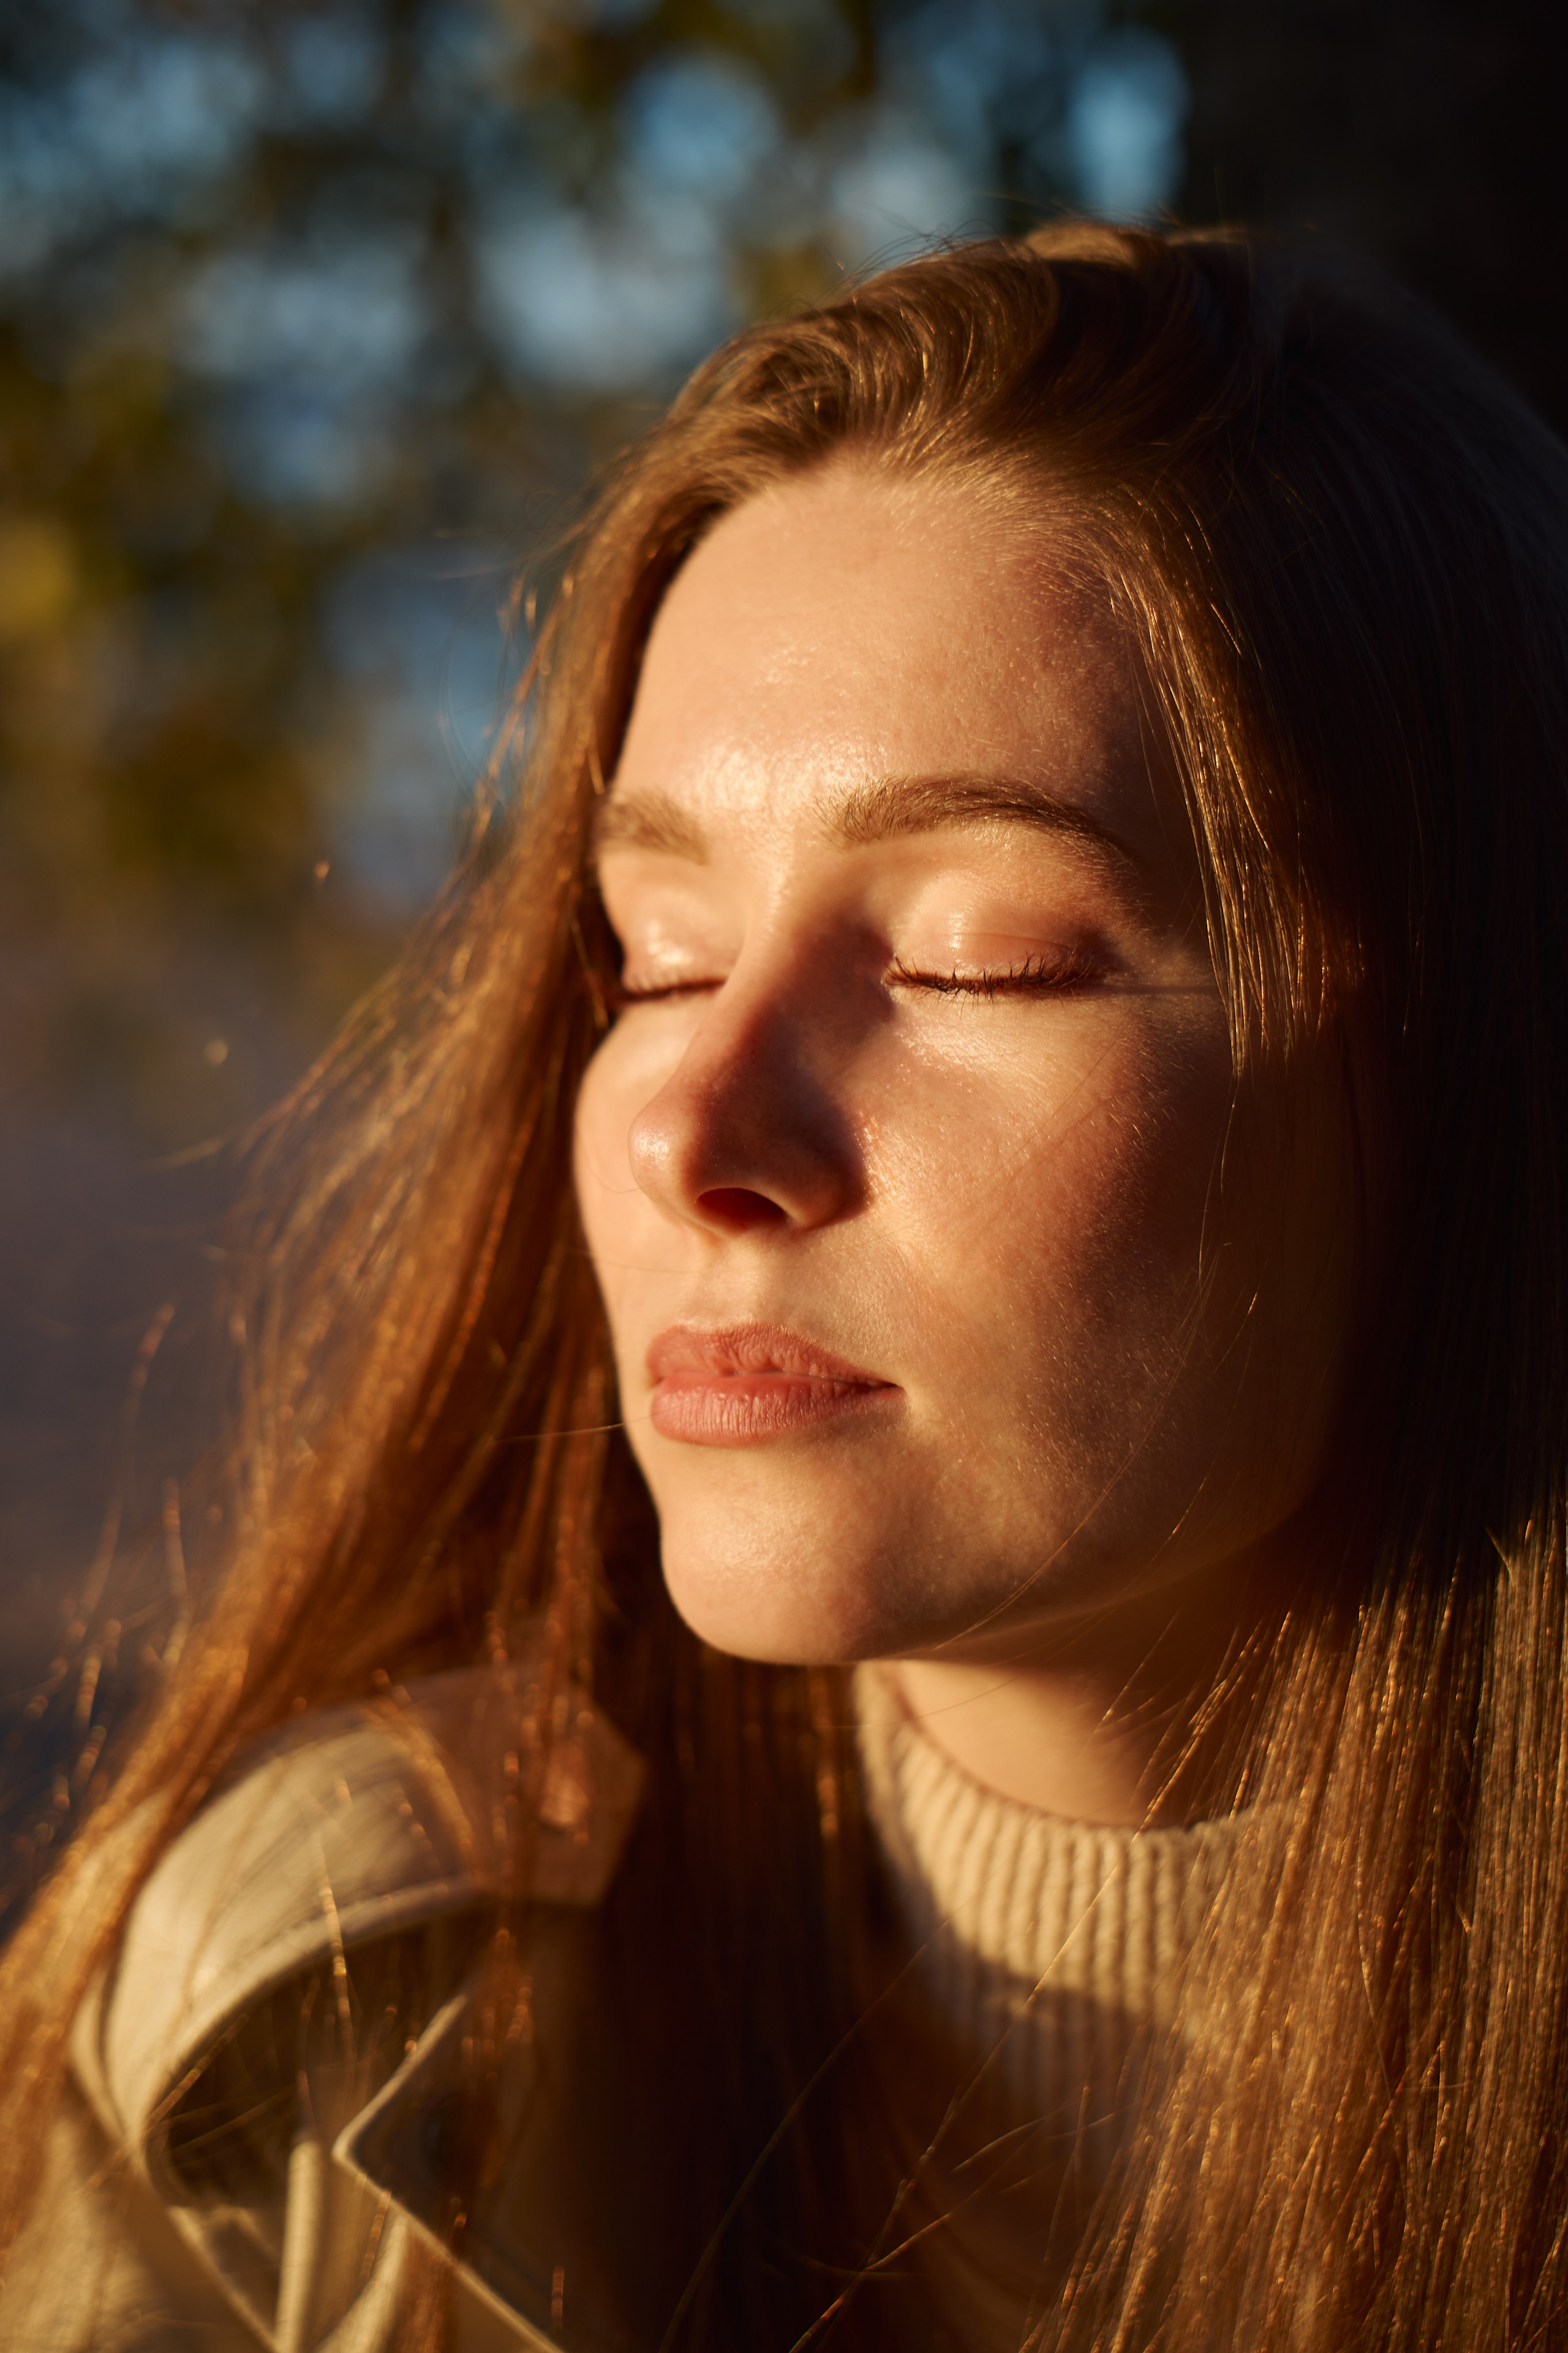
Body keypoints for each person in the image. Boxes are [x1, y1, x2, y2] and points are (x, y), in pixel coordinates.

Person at [2, 216, 1567, 2353]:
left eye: (979, 958)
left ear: (1478, 1064)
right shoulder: (308, 2031)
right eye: (657, 958)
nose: (692, 1125)